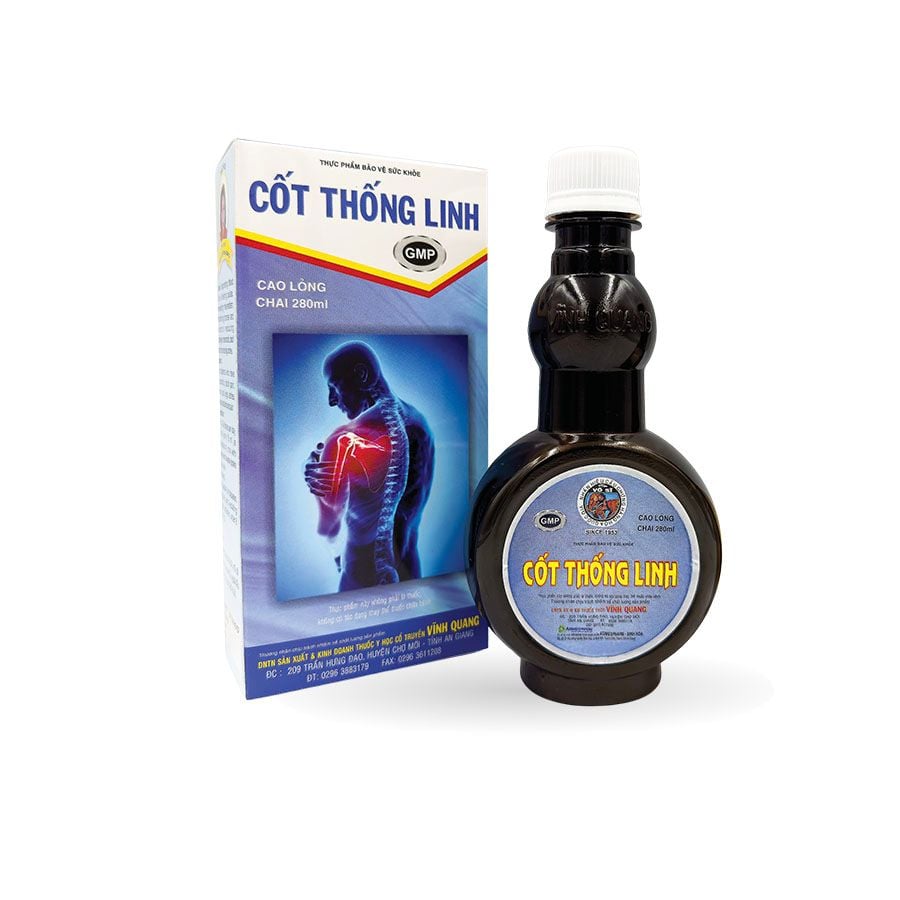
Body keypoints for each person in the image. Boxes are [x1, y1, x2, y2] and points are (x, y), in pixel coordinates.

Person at [304, 342, 434, 588]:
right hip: (411, 575)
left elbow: (328, 529)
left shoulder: (344, 439)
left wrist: (315, 483)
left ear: (362, 375)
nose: (331, 400)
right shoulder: (421, 425)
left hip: (360, 579)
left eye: (333, 386)